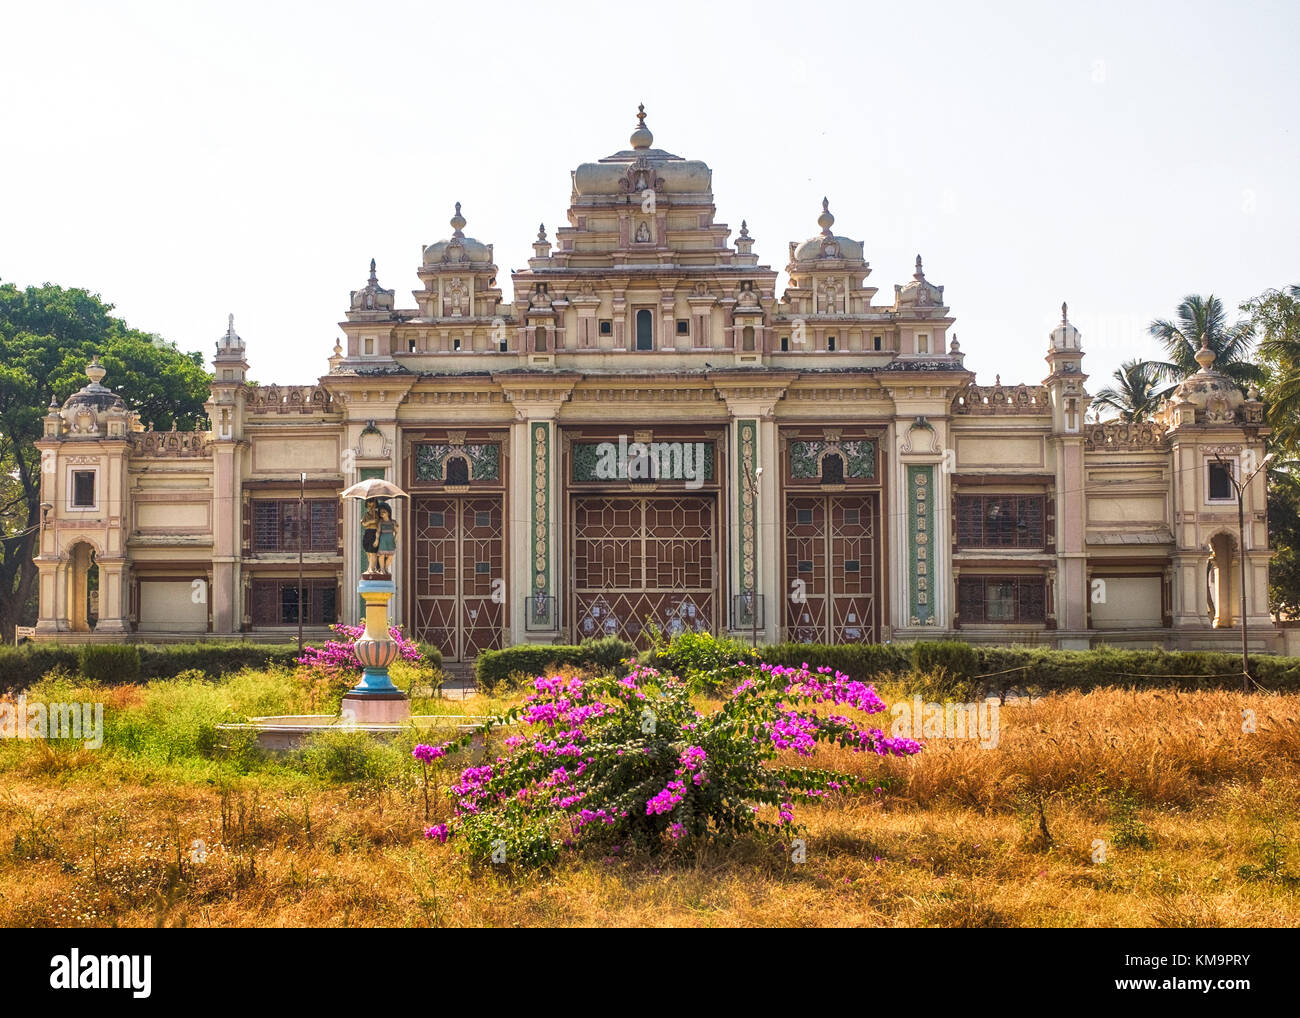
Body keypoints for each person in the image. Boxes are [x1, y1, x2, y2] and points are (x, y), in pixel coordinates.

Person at [376, 504, 398, 575]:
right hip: (382, 540)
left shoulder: (393, 522)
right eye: (380, 512)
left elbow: (397, 532)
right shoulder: (380, 522)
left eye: (384, 512)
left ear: (388, 512)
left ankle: (385, 568)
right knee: (381, 555)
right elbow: (378, 532)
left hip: (390, 540)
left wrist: (395, 540)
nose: (382, 513)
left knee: (390, 555)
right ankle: (382, 569)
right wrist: (377, 540)